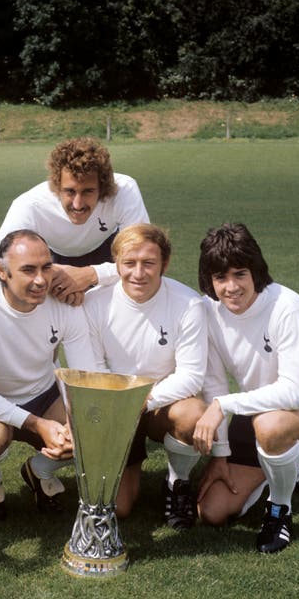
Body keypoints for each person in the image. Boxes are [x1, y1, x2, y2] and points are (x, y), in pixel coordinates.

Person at [194, 222, 299, 553]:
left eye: (239, 274)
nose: (231, 287)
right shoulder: (209, 312)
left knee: (271, 424)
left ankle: (280, 508)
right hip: (255, 410)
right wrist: (220, 453)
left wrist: (223, 405)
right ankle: (286, 472)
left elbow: (291, 393)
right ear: (210, 280)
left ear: (255, 271)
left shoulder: (287, 305)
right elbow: (215, 382)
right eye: (221, 278)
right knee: (211, 511)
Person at [0, 229, 99, 521]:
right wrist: (39, 426)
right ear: (1, 271)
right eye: (28, 270)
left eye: (46, 267)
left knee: (92, 428)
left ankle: (39, 470)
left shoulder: (63, 301)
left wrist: (75, 423)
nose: (40, 280)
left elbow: (83, 375)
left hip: (44, 394)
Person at [84, 224, 211, 526]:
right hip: (114, 407)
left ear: (164, 264)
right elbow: (93, 368)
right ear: (116, 264)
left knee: (193, 414)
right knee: (121, 508)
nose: (138, 273)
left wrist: (143, 400)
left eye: (149, 263)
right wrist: (122, 404)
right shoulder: (93, 303)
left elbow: (191, 375)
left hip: (160, 405)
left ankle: (177, 482)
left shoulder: (188, 303)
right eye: (129, 263)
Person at [0, 137, 149, 306]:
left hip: (109, 252)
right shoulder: (30, 205)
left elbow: (144, 258)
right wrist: (49, 278)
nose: (78, 204)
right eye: (70, 191)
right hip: (53, 260)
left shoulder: (124, 190)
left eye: (88, 191)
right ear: (56, 186)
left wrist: (91, 274)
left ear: (103, 188)